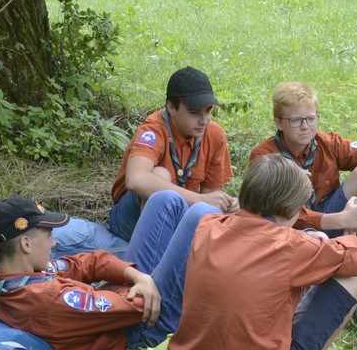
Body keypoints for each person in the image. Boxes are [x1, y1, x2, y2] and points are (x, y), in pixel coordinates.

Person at [166, 154, 357, 350]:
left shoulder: (209, 224)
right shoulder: (291, 246)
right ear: (291, 208)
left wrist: (309, 240)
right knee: (355, 269)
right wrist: (322, 243)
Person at [0, 194, 213, 350]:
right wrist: (111, 289)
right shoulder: (48, 297)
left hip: (130, 309)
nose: (54, 243)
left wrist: (137, 276)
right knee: (200, 214)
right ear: (26, 244)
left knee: (165, 200)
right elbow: (136, 306)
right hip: (145, 326)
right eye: (49, 235)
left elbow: (88, 262)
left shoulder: (15, 277)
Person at [50, 66, 238, 257]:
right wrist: (198, 200)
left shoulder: (214, 135)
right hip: (129, 220)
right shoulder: (154, 130)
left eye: (208, 111)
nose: (204, 120)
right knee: (160, 175)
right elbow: (136, 179)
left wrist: (226, 204)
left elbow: (210, 196)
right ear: (171, 108)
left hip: (177, 220)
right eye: (194, 112)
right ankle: (150, 259)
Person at [249, 82, 357, 316]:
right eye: (296, 120)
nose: (305, 126)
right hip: (293, 233)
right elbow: (276, 213)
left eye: (311, 118)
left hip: (333, 220)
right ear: (278, 122)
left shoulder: (327, 144)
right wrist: (340, 219)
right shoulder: (264, 156)